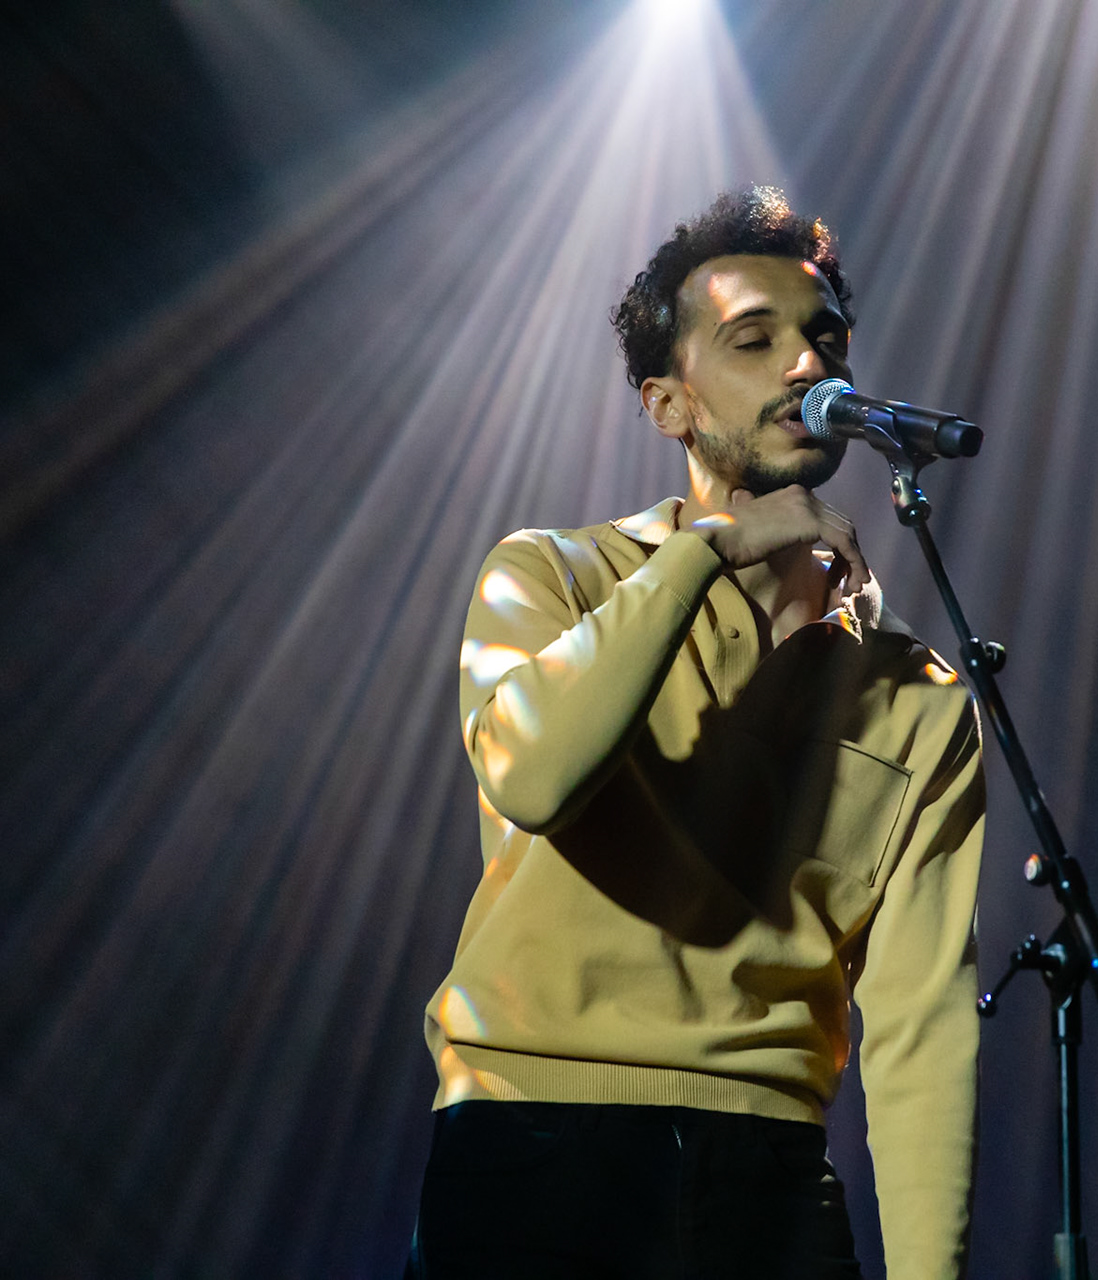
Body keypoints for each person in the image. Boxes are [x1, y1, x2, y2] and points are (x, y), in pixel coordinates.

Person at [409, 187, 985, 1279]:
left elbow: (922, 1025)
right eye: (753, 339)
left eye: (825, 338)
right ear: (669, 404)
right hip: (532, 1142)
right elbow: (533, 776)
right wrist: (705, 551)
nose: (809, 367)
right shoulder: (549, 577)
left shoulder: (921, 691)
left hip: (765, 1171)